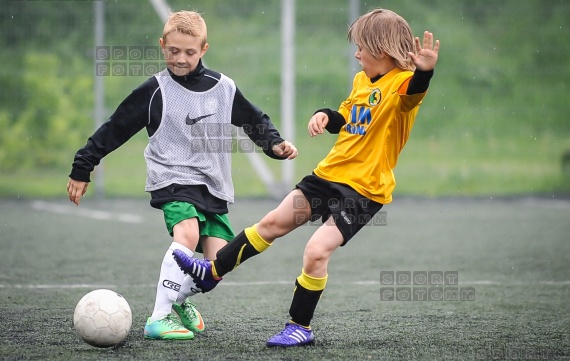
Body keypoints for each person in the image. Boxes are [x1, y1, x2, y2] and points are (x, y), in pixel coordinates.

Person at [173, 8, 440, 347]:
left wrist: (426, 71)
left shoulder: (403, 83)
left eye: (361, 47)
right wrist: (325, 117)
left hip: (364, 192)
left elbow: (415, 90)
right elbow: (345, 115)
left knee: (316, 251)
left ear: (382, 50)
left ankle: (300, 326)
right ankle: (211, 273)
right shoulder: (362, 81)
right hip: (326, 177)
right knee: (272, 224)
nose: (356, 54)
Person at [67, 11, 298, 341]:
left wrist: (273, 144)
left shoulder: (223, 88)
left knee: (218, 265)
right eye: (173, 50)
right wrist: (83, 166)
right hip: (172, 177)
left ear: (204, 49)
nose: (180, 58)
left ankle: (177, 298)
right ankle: (158, 317)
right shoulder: (155, 91)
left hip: (213, 185)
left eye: (189, 52)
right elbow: (115, 128)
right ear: (162, 46)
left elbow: (254, 119)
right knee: (186, 234)